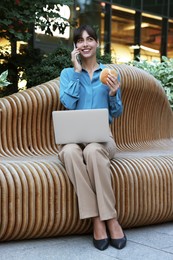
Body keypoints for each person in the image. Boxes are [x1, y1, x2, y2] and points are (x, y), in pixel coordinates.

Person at [58, 24, 126, 251]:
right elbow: (68, 104)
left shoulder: (110, 75)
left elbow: (116, 113)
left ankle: (111, 219)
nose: (85, 44)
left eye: (90, 39)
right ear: (75, 46)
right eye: (80, 40)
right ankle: (97, 218)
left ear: (97, 43)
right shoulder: (68, 74)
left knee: (94, 150)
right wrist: (77, 73)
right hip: (74, 140)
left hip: (102, 139)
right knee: (68, 152)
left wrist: (114, 94)